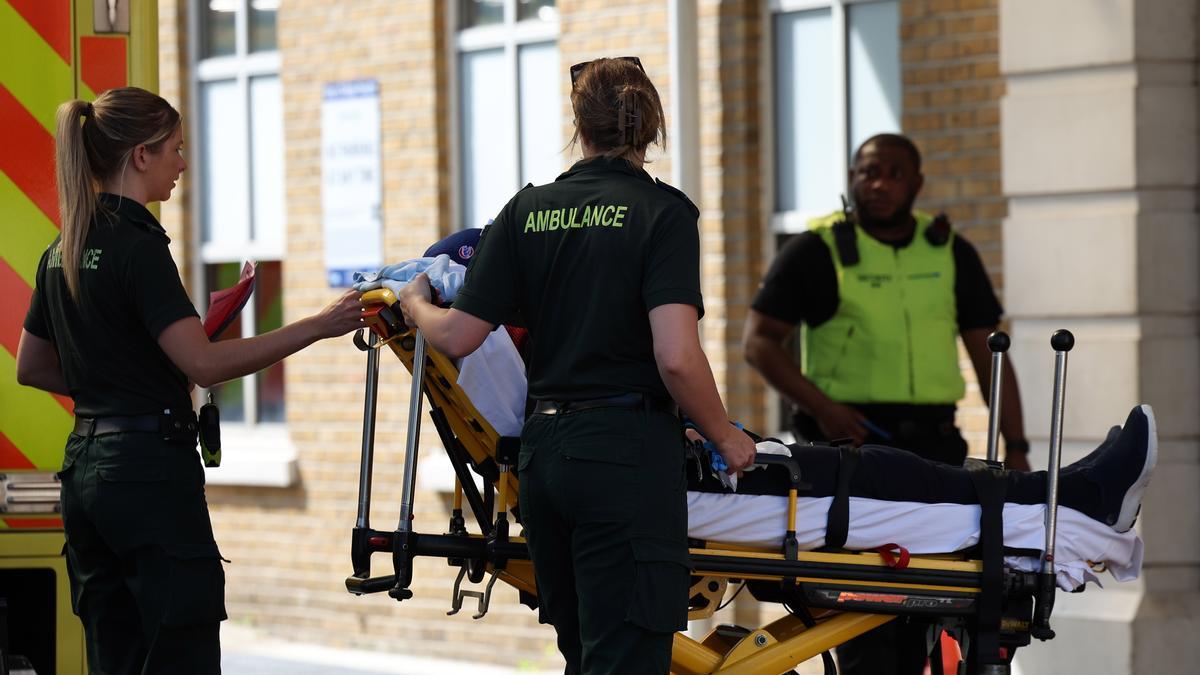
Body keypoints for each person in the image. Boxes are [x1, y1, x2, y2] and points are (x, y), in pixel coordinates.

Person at [396, 57, 756, 674]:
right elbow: (675, 355)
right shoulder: (663, 214)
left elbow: (457, 337)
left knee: (584, 654)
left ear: (578, 124)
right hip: (624, 457)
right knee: (625, 658)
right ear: (649, 126)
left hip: (545, 459)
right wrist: (726, 434)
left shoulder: (526, 211)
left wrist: (413, 303)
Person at [14, 87, 363, 674]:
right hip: (148, 473)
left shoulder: (63, 249)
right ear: (140, 156)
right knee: (183, 654)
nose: (183, 164)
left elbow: (33, 366)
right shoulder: (138, 247)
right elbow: (202, 364)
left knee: (114, 656)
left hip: (86, 473)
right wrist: (317, 325)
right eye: (175, 149)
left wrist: (117, 380)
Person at [742, 133, 1031, 674]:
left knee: (940, 603)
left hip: (934, 450)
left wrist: (1016, 447)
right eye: (866, 171)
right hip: (849, 450)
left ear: (916, 185)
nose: (876, 183)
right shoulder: (819, 249)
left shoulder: (949, 251)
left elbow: (990, 354)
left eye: (893, 173)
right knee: (864, 609)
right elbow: (758, 342)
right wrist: (824, 407)